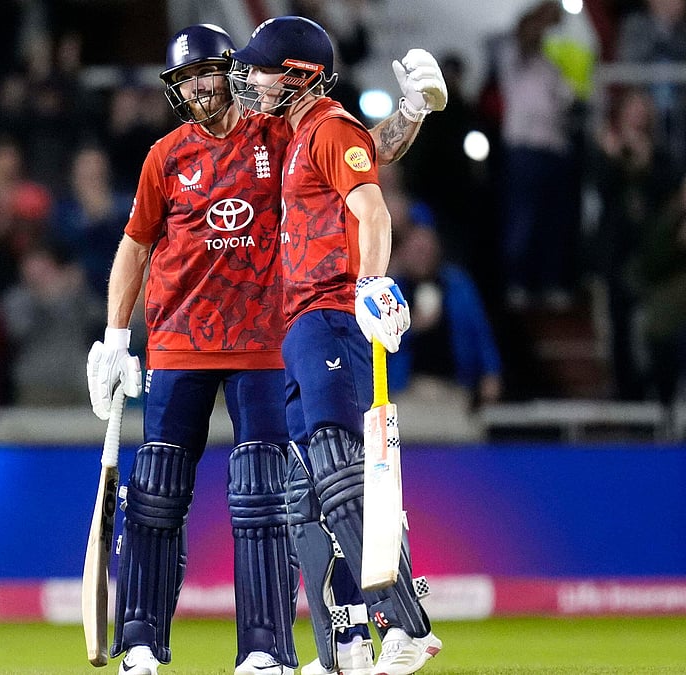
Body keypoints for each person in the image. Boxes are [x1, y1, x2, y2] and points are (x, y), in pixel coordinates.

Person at [85, 22, 445, 675]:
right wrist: (114, 337)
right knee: (165, 492)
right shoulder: (168, 155)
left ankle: (278, 646)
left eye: (211, 72)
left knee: (275, 491)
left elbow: (366, 155)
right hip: (184, 340)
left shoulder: (284, 131)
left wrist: (412, 112)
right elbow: (134, 245)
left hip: (273, 337)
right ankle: (144, 640)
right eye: (186, 79)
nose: (203, 88)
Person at [229, 15, 441, 675]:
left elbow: (372, 208)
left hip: (331, 313)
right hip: (299, 322)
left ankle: (406, 627)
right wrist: (411, 113)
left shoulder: (326, 125)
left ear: (298, 75)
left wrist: (373, 284)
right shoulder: (303, 134)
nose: (252, 80)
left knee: (341, 476)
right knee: (308, 495)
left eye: (263, 69)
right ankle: (340, 652)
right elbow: (373, 150)